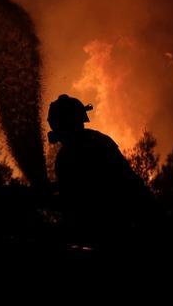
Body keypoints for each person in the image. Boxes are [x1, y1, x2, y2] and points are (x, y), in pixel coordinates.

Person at [47, 94, 151, 249]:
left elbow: (75, 198)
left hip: (112, 232)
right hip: (110, 231)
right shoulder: (98, 141)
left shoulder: (69, 155)